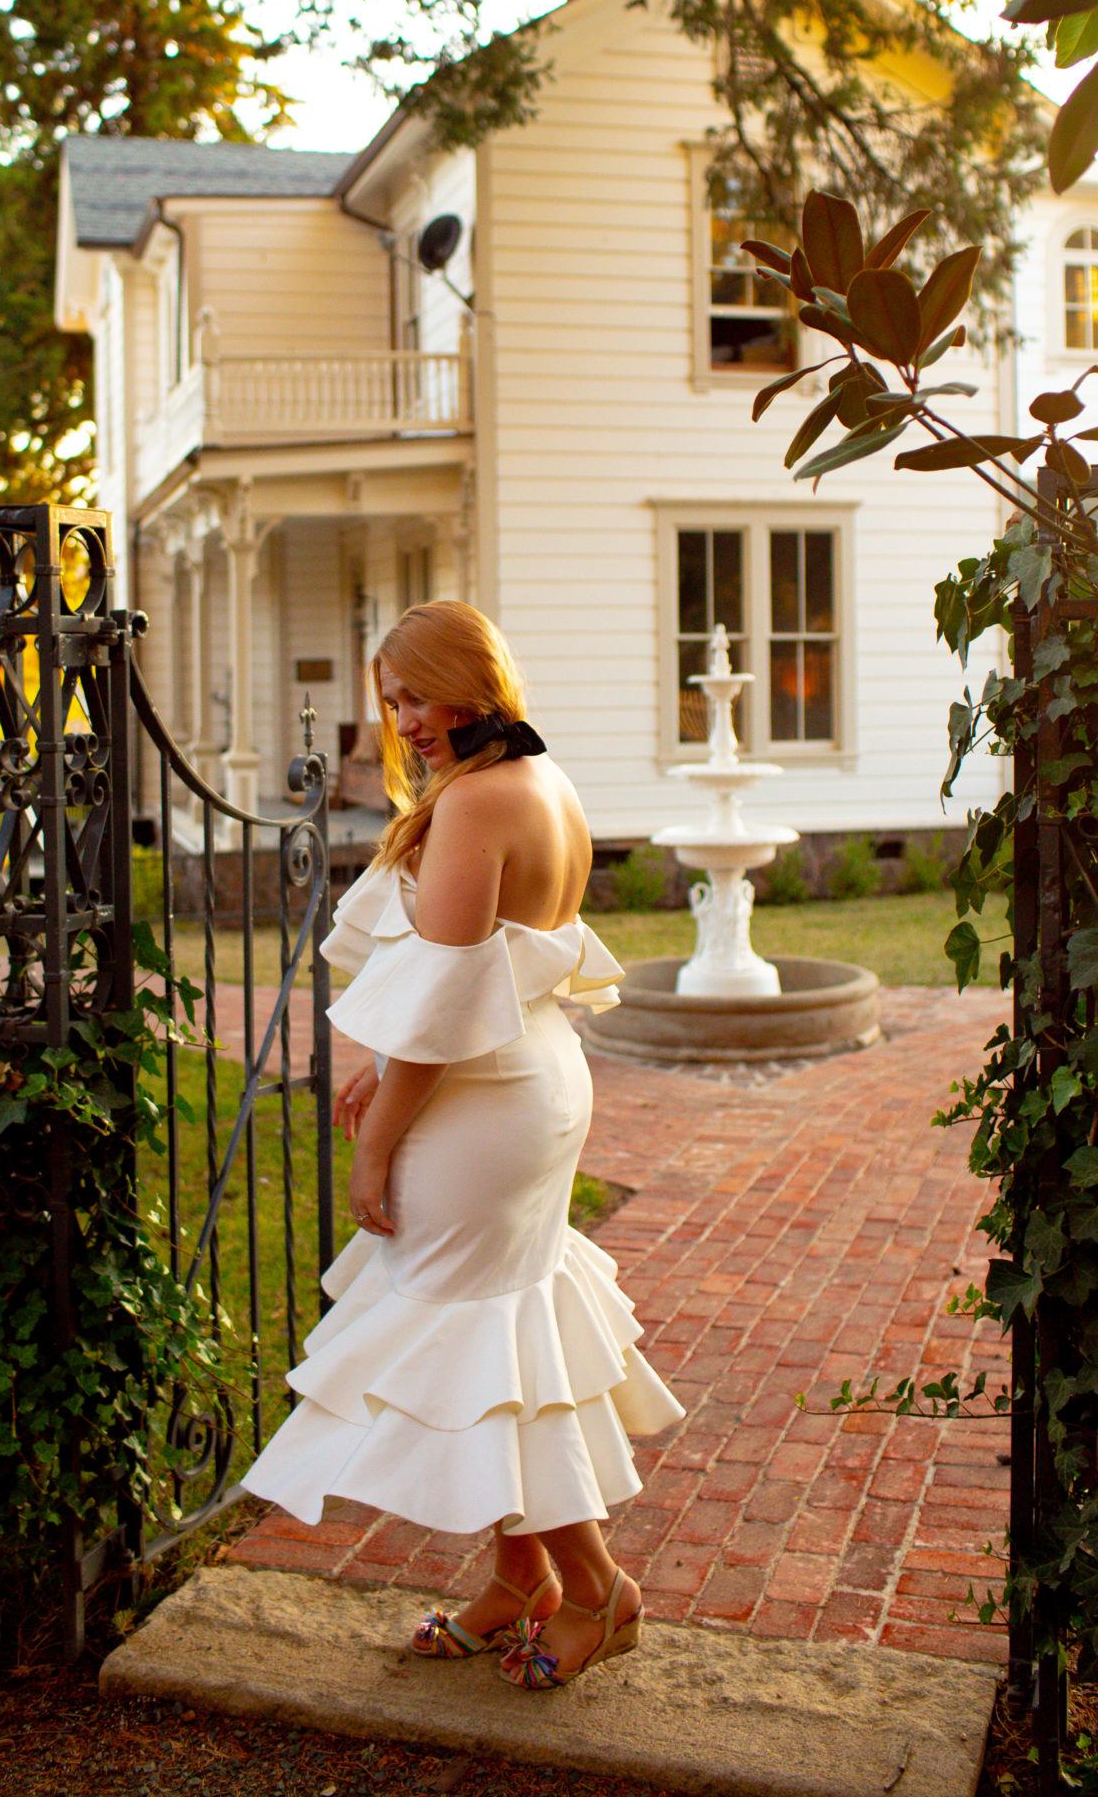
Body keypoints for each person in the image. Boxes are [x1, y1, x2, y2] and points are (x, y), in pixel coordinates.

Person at [242, 599, 684, 1688]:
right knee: (501, 1340)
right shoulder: (541, 782)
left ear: (476, 688)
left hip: (484, 1108)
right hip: (526, 1076)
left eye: (417, 696)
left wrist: (374, 1142)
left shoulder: (479, 803)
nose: (402, 722)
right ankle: (514, 1584)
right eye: (388, 702)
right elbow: (477, 978)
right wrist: (385, 1071)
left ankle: (596, 1590)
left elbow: (440, 1006)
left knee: (476, 1349)